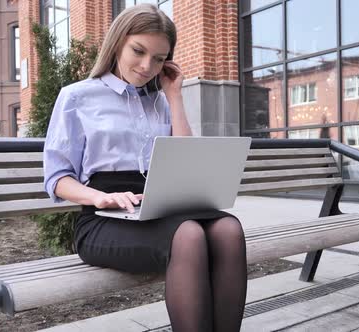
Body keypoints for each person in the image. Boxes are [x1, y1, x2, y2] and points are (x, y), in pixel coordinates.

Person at [42, 4, 247, 331]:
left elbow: (188, 160)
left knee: (228, 229)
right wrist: (98, 197)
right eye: (138, 51)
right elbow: (56, 179)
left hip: (156, 209)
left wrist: (175, 96)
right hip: (102, 218)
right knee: (190, 234)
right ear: (118, 42)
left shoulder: (161, 101)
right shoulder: (76, 97)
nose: (147, 65)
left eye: (159, 58)